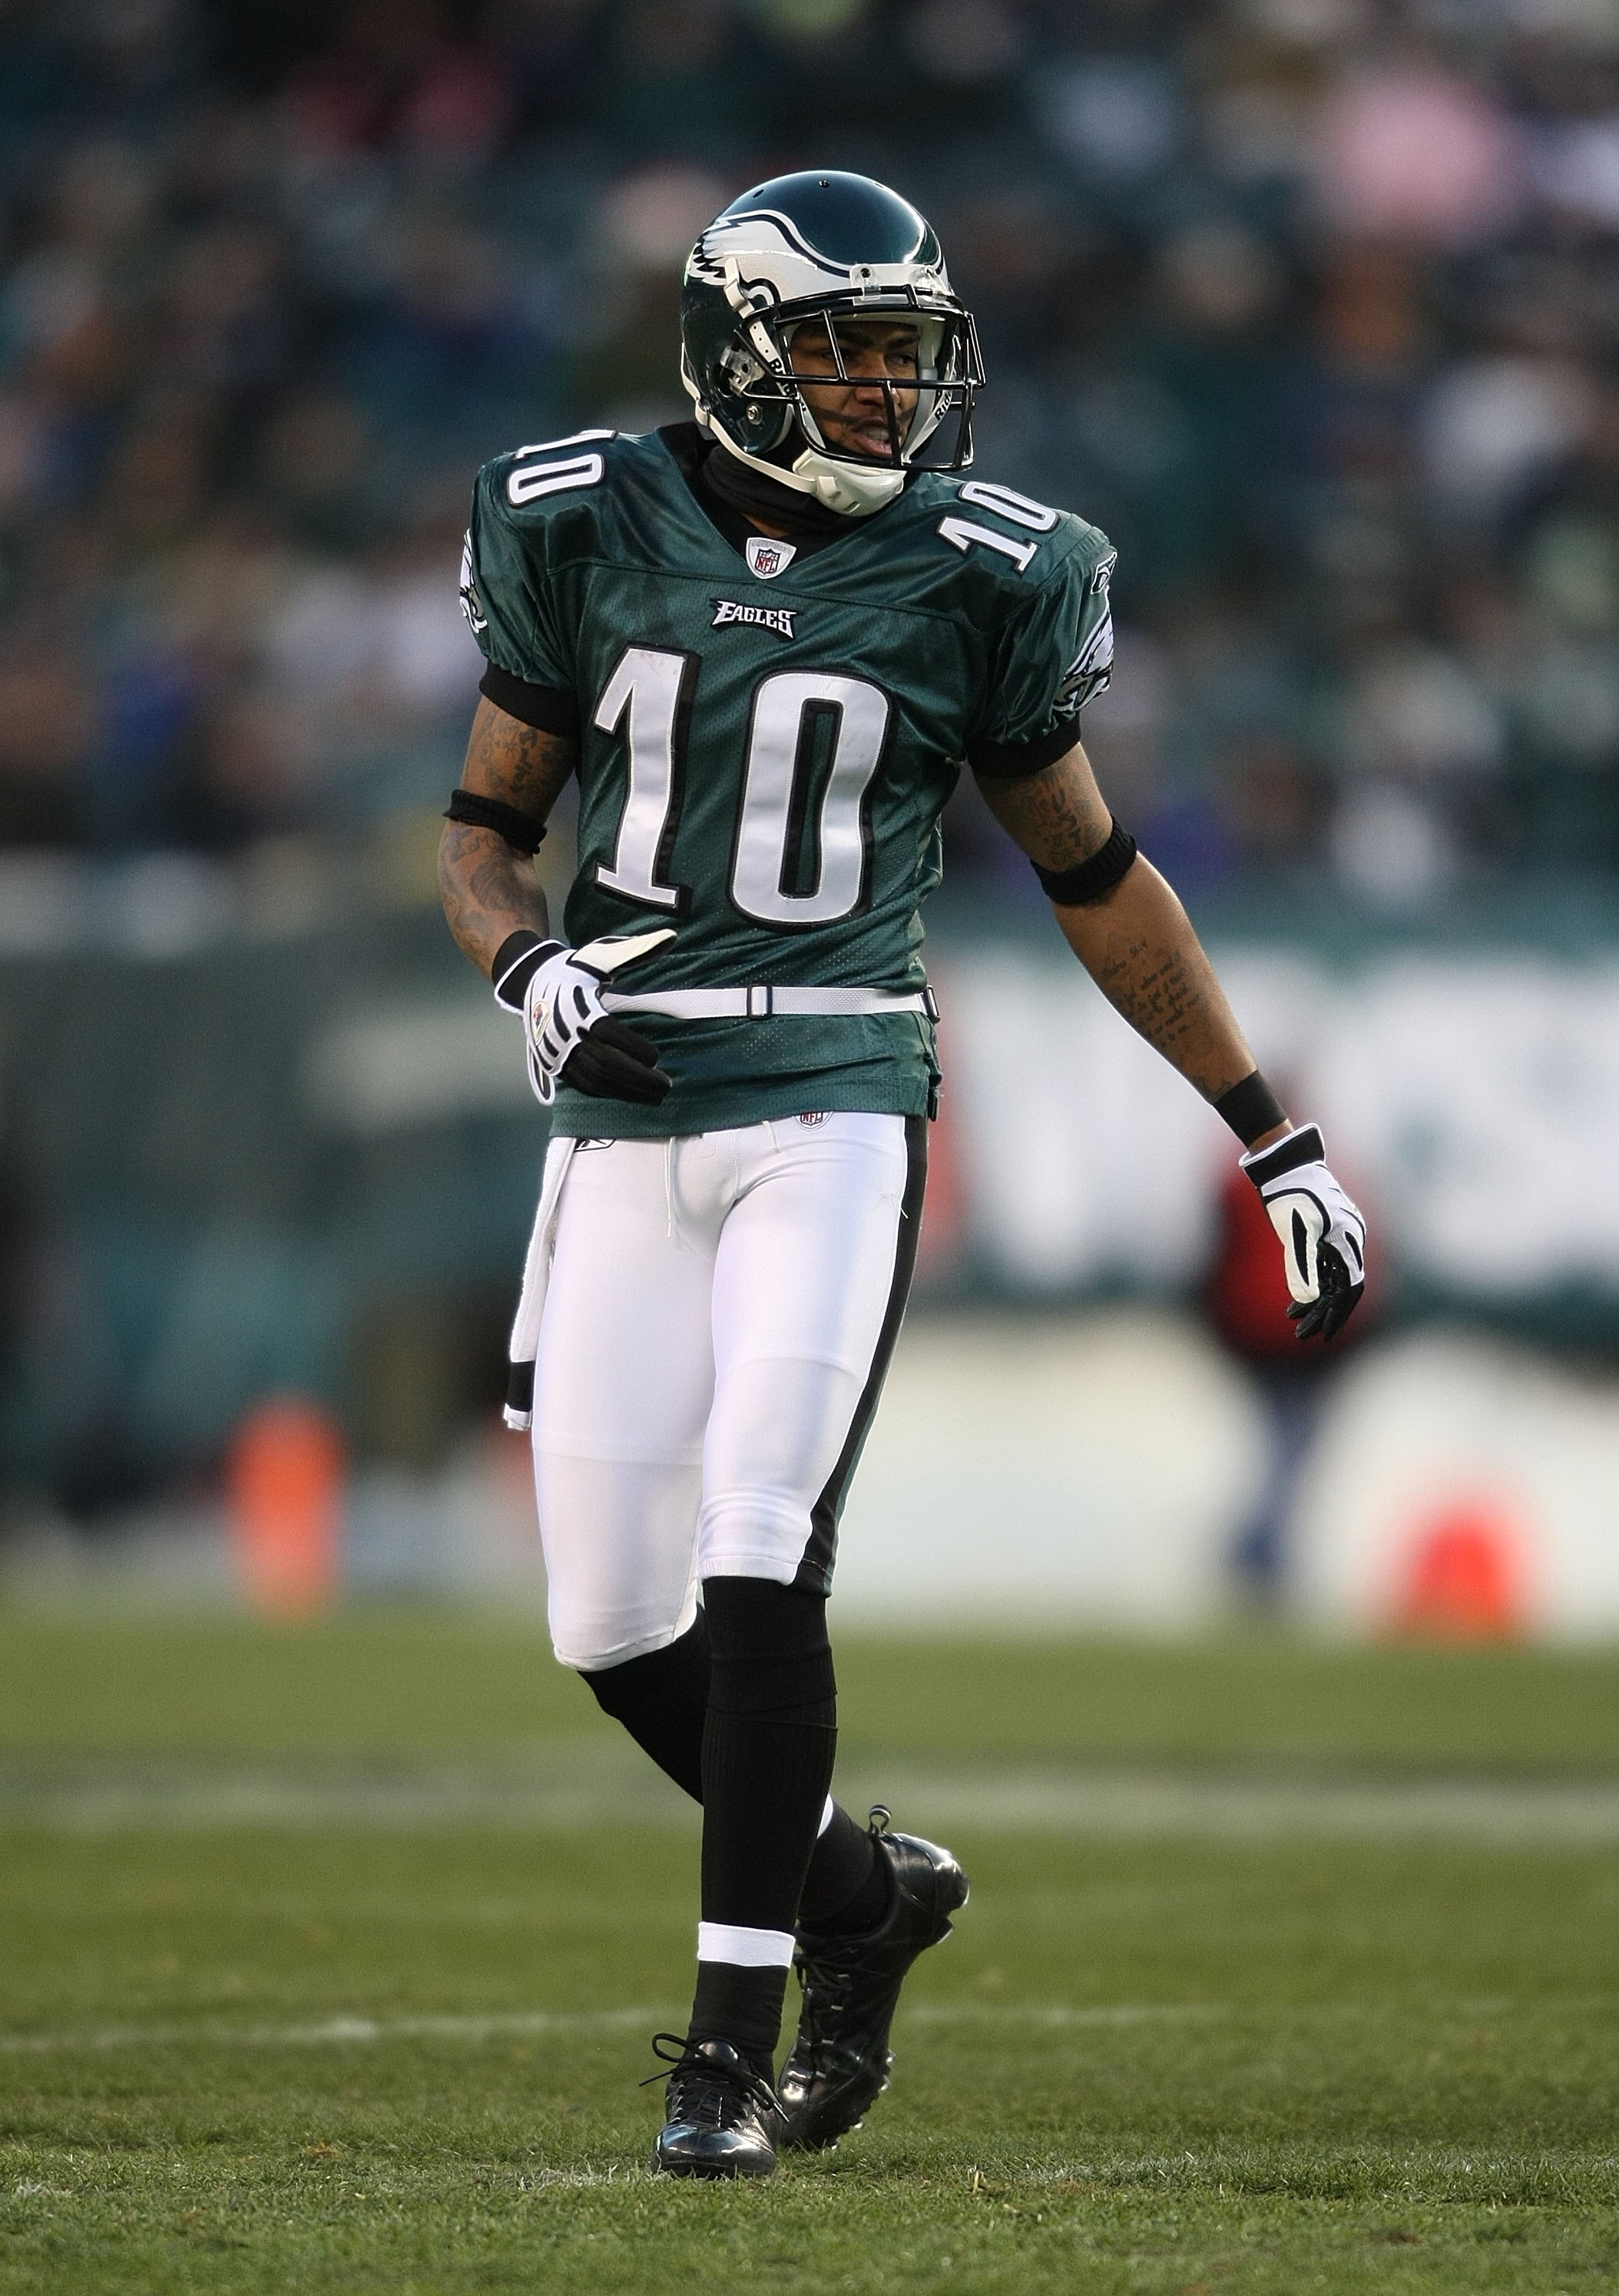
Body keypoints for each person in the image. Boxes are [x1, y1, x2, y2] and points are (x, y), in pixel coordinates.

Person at [437, 171, 1366, 2180]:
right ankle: (864, 1900)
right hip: (622, 1105)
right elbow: (477, 837)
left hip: (837, 1091)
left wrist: (1262, 1123)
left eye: (905, 356)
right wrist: (528, 965)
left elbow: (1094, 879)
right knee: (606, 1626)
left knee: (762, 1537)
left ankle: (719, 2057)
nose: (882, 397)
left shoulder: (984, 570)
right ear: (732, 349)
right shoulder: (577, 515)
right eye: (841, 353)